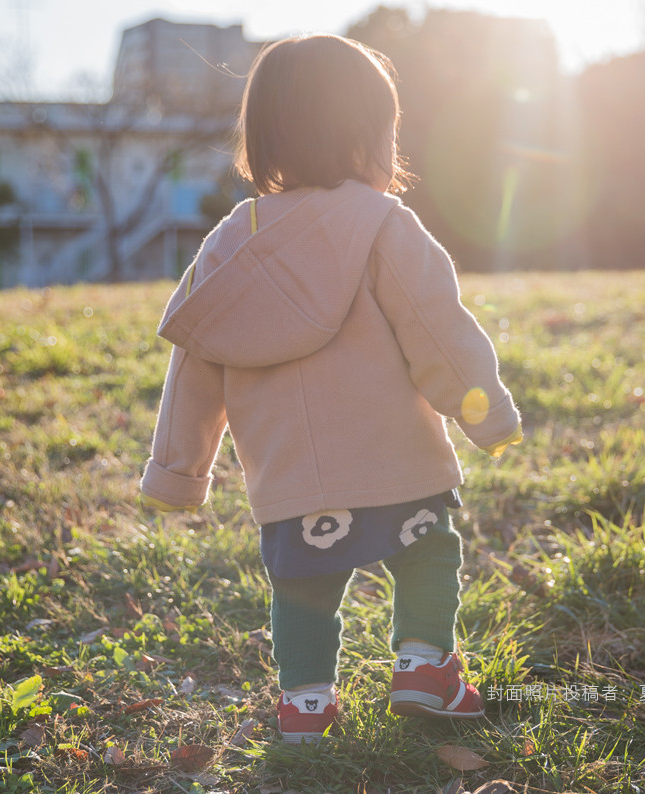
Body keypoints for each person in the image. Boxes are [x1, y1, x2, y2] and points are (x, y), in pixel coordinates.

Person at [138, 34, 521, 743]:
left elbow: (194, 363)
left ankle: (305, 707)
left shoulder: (229, 243)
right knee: (430, 549)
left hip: (292, 478)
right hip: (396, 460)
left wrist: (177, 474)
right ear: (367, 137)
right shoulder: (383, 226)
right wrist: (486, 412)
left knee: (303, 589)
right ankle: (423, 664)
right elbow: (439, 331)